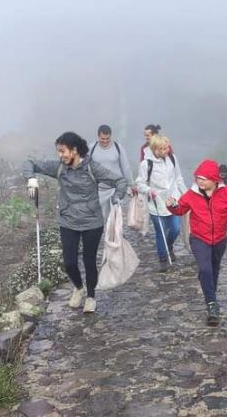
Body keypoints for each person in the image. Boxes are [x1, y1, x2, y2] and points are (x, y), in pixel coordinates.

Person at [23, 131, 127, 314]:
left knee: (89, 261)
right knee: (69, 262)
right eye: (58, 151)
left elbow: (119, 181)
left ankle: (91, 297)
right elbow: (29, 163)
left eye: (63, 151)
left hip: (92, 222)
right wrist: (30, 178)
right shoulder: (59, 168)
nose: (60, 155)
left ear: (75, 150)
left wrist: (117, 198)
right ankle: (79, 288)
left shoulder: (92, 168)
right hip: (68, 220)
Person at [166, 159, 227, 326]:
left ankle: (210, 293)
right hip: (199, 239)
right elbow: (180, 209)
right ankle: (211, 304)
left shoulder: (226, 193)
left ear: (214, 179)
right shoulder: (191, 194)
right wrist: (172, 206)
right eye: (197, 177)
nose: (199, 181)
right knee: (205, 268)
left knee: (213, 270)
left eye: (203, 178)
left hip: (220, 240)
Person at [135, 134, 188, 271]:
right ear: (155, 149)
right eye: (163, 149)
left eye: (167, 148)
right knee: (161, 232)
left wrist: (187, 194)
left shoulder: (172, 158)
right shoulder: (146, 164)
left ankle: (168, 245)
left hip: (173, 200)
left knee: (175, 228)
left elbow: (179, 178)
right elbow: (140, 183)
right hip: (156, 202)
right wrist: (148, 190)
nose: (166, 151)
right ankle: (163, 256)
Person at [90, 124, 135, 222]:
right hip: (99, 190)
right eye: (102, 139)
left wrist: (131, 184)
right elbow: (85, 167)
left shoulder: (118, 148)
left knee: (115, 218)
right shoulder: (91, 149)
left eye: (107, 139)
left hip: (116, 189)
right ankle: (101, 235)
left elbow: (125, 167)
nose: (105, 141)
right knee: (100, 218)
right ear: (98, 136)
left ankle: (114, 236)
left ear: (111, 136)